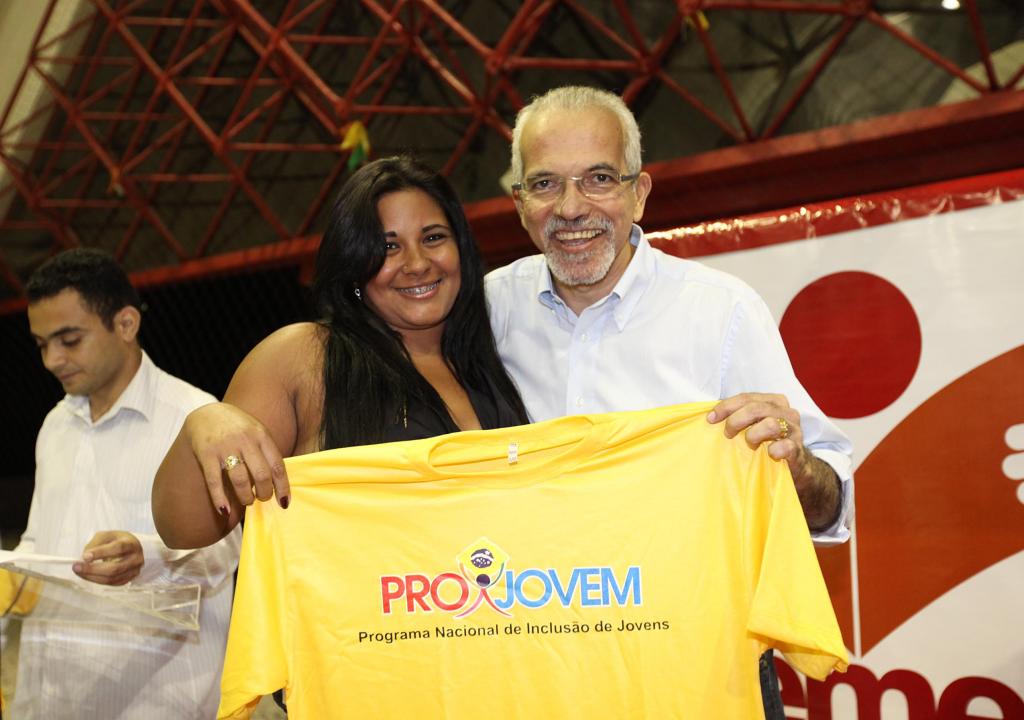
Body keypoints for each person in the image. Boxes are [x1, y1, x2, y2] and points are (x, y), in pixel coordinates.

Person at [484, 85, 854, 719]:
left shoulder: (721, 311)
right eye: (545, 184)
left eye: (599, 178)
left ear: (639, 193)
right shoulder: (487, 310)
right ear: (520, 203)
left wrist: (792, 465)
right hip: (537, 672)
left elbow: (831, 503)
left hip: (701, 671)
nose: (571, 207)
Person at [151, 155, 530, 549]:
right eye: (388, 246)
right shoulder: (305, 357)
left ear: (461, 248)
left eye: (433, 238)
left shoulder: (495, 358)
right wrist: (203, 424)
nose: (417, 263)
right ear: (354, 263)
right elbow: (185, 529)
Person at [5, 248, 240, 719]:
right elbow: (39, 541)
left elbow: (226, 552)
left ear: (126, 323)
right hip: (51, 696)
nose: (52, 360)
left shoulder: (194, 418)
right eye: (41, 344)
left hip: (154, 700)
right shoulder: (55, 425)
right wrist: (11, 573)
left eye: (69, 340)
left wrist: (148, 557)